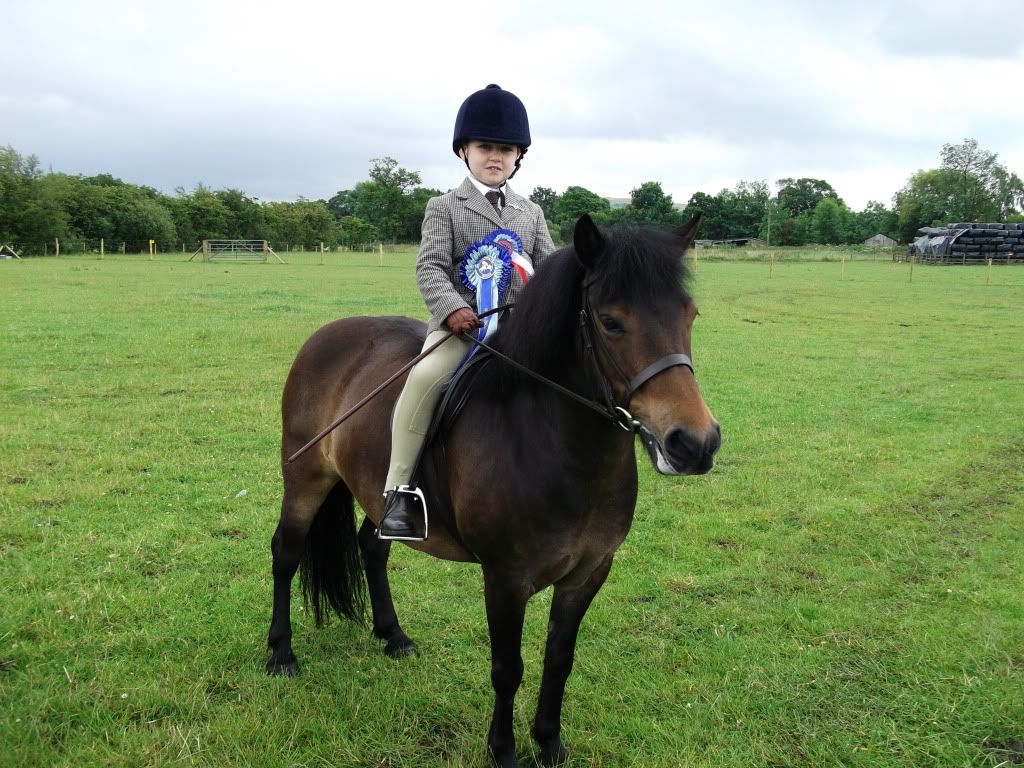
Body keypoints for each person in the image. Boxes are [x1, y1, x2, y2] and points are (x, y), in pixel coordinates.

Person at [378, 84, 556, 540]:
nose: (494, 156)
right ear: (464, 151)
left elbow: (549, 266)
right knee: (423, 379)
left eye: (505, 149)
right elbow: (431, 265)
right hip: (463, 330)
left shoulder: (531, 212)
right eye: (484, 147)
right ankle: (397, 492)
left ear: (519, 156)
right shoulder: (444, 207)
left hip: (522, 333)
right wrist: (454, 309)